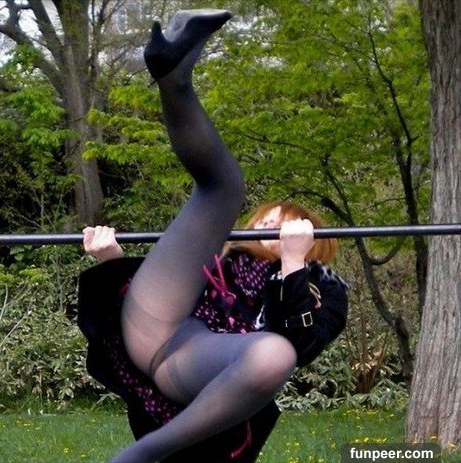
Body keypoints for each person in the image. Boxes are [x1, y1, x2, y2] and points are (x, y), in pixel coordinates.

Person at [77, 9, 348, 463]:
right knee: (223, 187)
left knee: (275, 355)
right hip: (159, 334)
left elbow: (302, 348)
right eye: (265, 220)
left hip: (206, 375)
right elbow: (152, 298)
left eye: (281, 224)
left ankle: (141, 456)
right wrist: (114, 262)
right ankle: (173, 78)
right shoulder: (216, 260)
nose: (268, 226)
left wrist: (293, 265)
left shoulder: (324, 285)